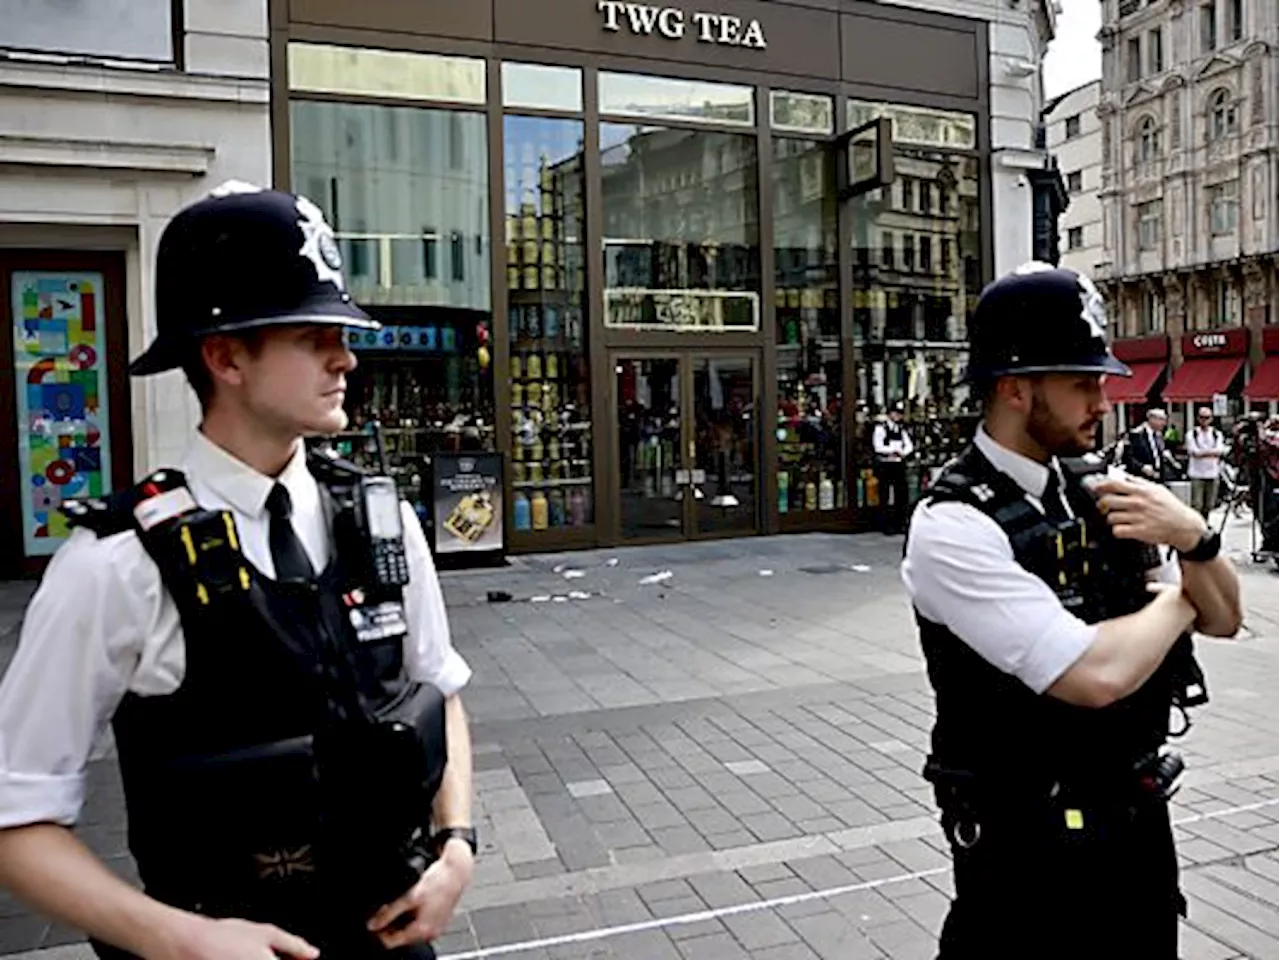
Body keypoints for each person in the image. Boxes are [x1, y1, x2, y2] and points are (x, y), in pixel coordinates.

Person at [0, 183, 476, 960]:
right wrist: (181, 940)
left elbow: (438, 692)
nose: (346, 356)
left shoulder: (379, 519)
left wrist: (457, 845)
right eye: (315, 334)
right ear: (224, 356)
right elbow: (14, 817)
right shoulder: (117, 564)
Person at [902, 262, 1242, 958]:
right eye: (1081, 382)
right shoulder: (953, 526)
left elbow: (1228, 617)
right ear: (1015, 388)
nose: (1102, 399)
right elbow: (1093, 674)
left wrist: (1195, 537)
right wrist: (1181, 593)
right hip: (1026, 858)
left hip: (1135, 833)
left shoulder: (1103, 488)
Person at [873, 402, 914, 533]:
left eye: (899, 414)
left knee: (901, 493)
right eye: (895, 413)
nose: (898, 416)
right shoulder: (881, 428)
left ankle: (900, 522)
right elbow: (878, 446)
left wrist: (903, 452)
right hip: (886, 463)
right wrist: (892, 450)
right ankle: (885, 524)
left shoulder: (901, 429)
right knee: (885, 494)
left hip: (898, 463)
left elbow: (909, 445)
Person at [1186, 407, 1228, 519]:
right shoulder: (1192, 434)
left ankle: (1205, 522)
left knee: (1210, 504)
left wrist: (1204, 453)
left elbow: (1220, 451)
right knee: (1197, 503)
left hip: (1213, 472)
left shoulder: (1216, 434)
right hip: (1197, 473)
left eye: (1207, 417)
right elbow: (1194, 452)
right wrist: (1211, 453)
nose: (1204, 420)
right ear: (1197, 418)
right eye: (1202, 417)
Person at [1123, 407, 1172, 482]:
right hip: (1141, 478)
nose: (1164, 423)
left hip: (1158, 476)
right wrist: (1142, 467)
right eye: (1162, 420)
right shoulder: (1137, 434)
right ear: (1152, 419)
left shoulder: (1159, 435)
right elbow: (1128, 458)